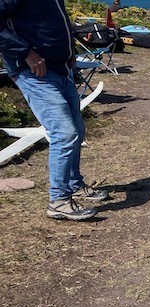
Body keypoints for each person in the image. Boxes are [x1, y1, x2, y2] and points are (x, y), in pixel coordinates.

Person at [0, 0, 109, 221]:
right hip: (33, 71)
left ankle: (74, 184)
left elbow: (56, 18)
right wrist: (25, 53)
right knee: (64, 133)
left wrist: (70, 50)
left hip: (59, 68)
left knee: (77, 129)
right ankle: (58, 200)